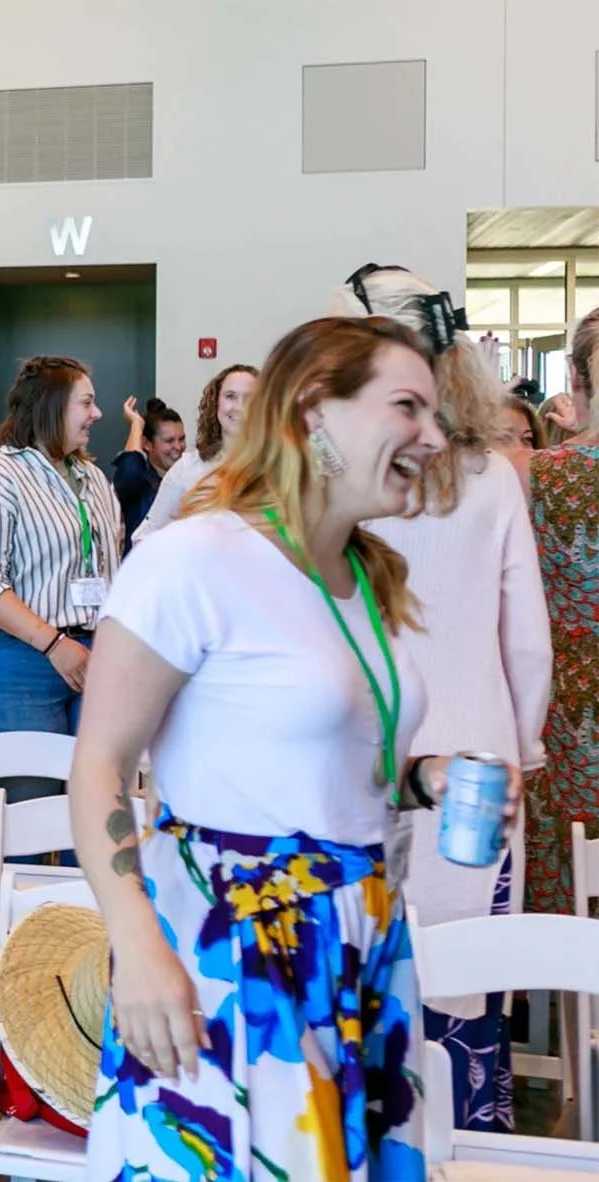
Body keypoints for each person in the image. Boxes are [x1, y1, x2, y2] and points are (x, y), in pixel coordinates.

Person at [69, 315, 506, 1179]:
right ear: (314, 411)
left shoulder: (365, 577)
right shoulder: (194, 559)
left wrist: (424, 778)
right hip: (233, 947)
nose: (431, 433)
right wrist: (140, 944)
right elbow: (99, 766)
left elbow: (338, 769)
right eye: (407, 406)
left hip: (359, 937)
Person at [331, 266, 552, 1131]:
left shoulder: (348, 477)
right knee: (466, 988)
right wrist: (523, 744)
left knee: (365, 976)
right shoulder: (492, 477)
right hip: (480, 756)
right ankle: (467, 1141)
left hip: (366, 752)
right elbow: (525, 636)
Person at [0, 356, 117, 858]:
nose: (98, 413)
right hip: (13, 661)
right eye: (86, 402)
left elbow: (109, 570)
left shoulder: (92, 478)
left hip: (91, 657)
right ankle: (6, 936)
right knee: (21, 826)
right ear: (53, 407)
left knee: (92, 820)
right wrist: (56, 644)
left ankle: (74, 935)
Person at [521, 304, 599, 919]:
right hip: (564, 692)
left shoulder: (539, 475)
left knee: (570, 872)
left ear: (574, 377)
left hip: (567, 697)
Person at [131, 364, 257, 545]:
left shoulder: (279, 468)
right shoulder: (187, 469)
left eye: (250, 398)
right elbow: (143, 539)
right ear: (216, 404)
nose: (240, 407)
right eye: (230, 397)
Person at [112, 396, 185, 544]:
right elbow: (130, 470)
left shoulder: (187, 479)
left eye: (182, 439)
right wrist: (136, 425)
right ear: (147, 444)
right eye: (169, 441)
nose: (178, 447)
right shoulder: (140, 483)